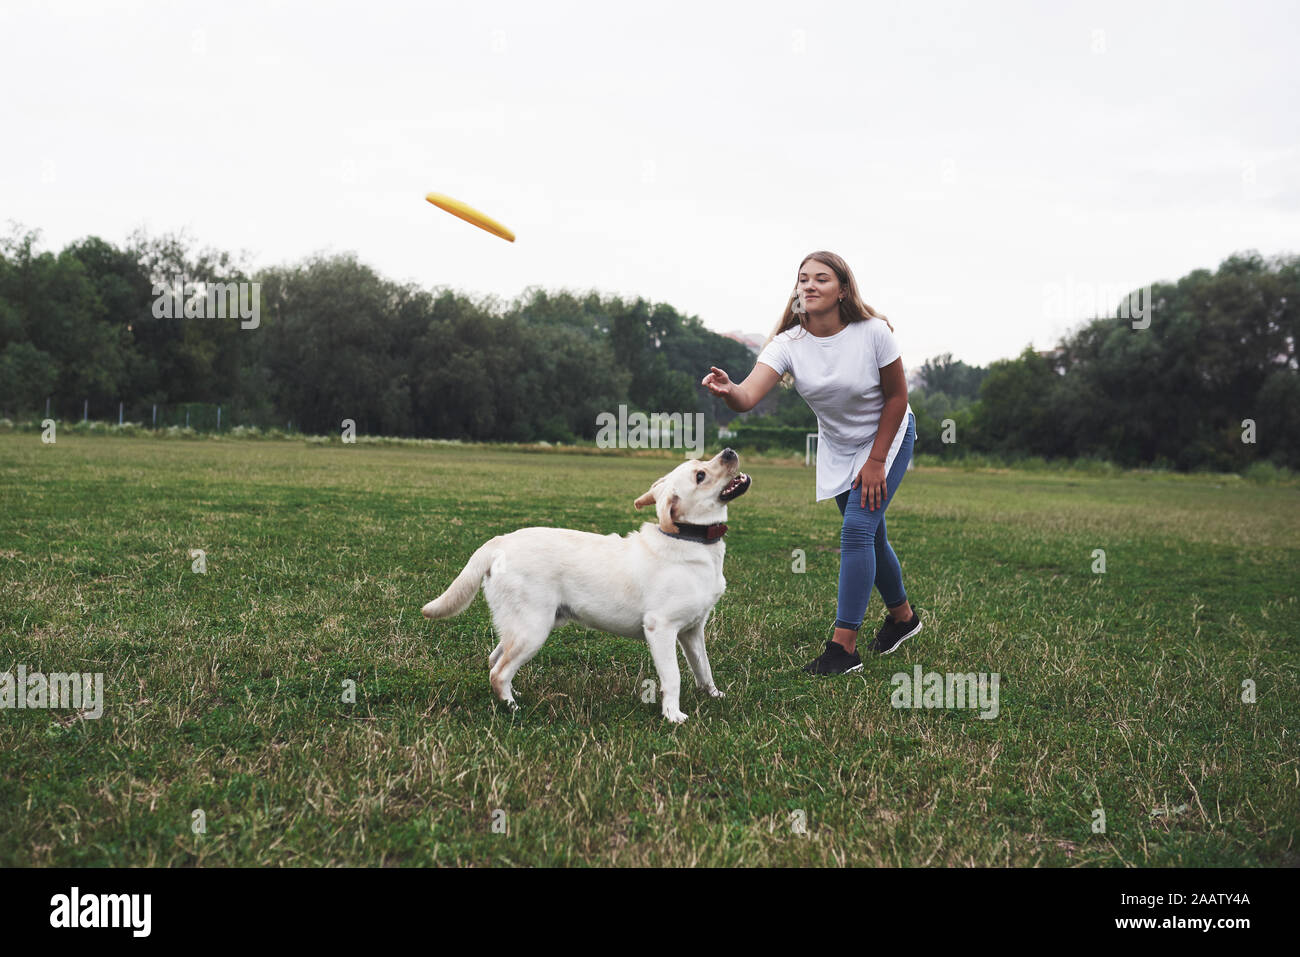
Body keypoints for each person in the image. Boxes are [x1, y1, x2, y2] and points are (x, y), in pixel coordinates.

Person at [702, 251, 920, 675]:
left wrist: (876, 461)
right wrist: (729, 390)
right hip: (840, 445)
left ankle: (843, 649)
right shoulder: (788, 344)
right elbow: (747, 397)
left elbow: (898, 397)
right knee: (871, 535)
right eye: (803, 279)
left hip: (887, 437)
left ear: (842, 289)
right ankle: (903, 619)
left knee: (857, 529)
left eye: (821, 278)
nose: (809, 285)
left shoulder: (873, 332)